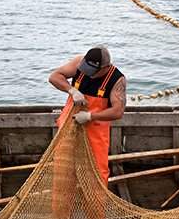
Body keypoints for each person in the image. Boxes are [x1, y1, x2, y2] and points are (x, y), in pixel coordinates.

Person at [48, 46, 126, 182]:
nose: (88, 73)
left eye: (92, 71)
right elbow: (54, 77)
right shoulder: (79, 62)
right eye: (85, 69)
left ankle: (94, 203)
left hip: (95, 131)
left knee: (97, 172)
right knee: (63, 168)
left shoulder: (116, 79)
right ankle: (63, 203)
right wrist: (71, 90)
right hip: (69, 125)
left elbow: (117, 111)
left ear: (105, 68)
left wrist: (90, 116)